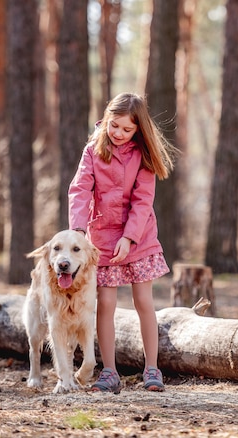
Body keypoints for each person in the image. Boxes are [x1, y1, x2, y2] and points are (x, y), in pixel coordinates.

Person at [68, 92, 178, 393]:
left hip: (139, 237)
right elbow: (80, 190)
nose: (118, 133)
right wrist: (77, 231)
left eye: (126, 129)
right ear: (107, 120)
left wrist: (129, 237)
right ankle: (110, 372)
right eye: (114, 126)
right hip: (101, 238)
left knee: (144, 301)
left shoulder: (142, 155)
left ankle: (152, 369)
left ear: (138, 129)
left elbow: (143, 201)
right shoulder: (93, 150)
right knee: (106, 303)